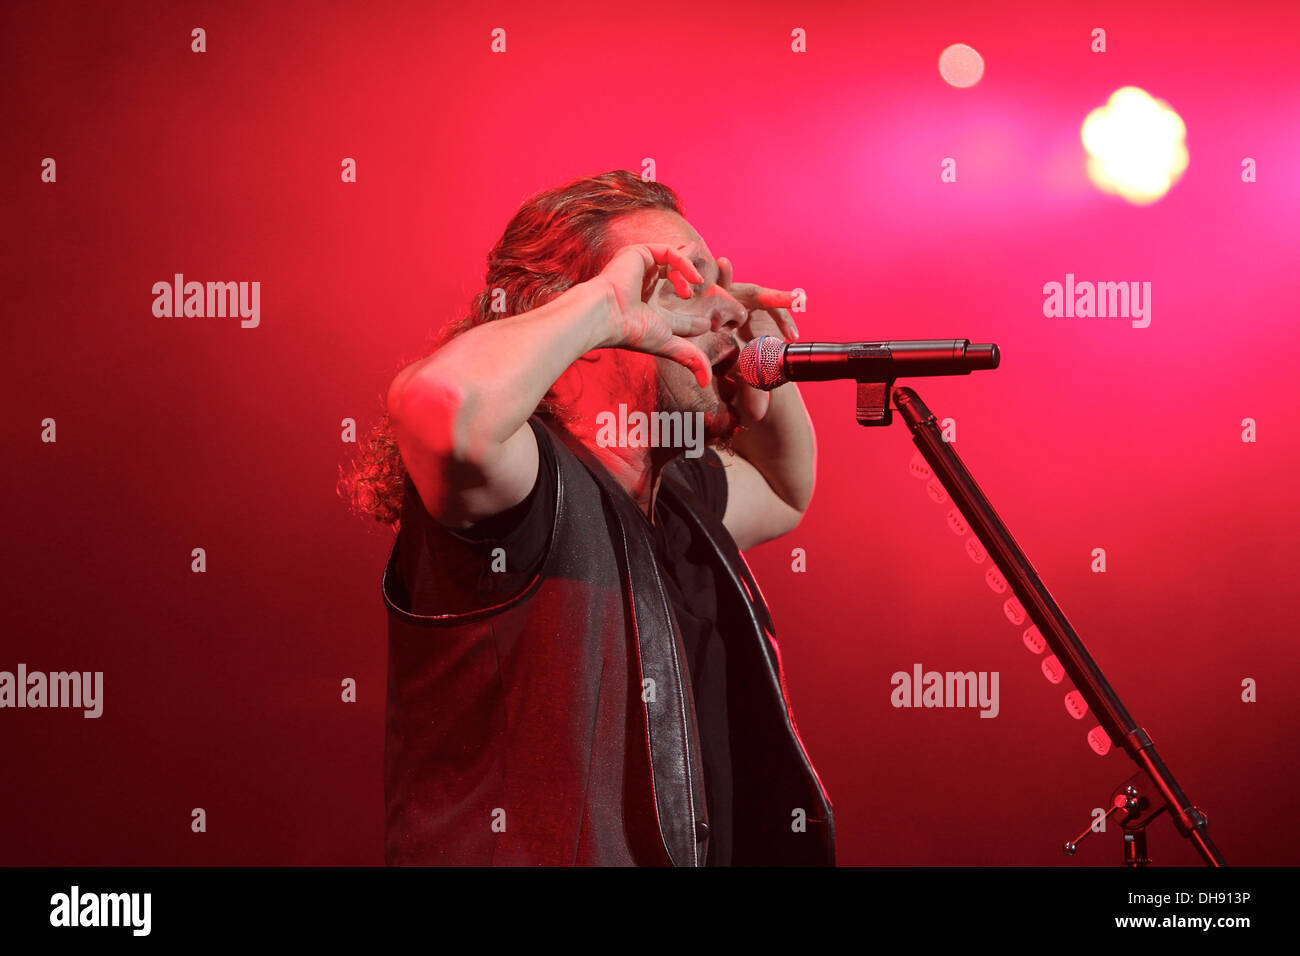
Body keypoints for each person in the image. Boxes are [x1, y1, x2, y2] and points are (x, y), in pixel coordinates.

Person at [348, 169, 834, 866]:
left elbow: (785, 487)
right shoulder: (527, 484)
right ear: (581, 323)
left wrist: (745, 334)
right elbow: (444, 408)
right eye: (678, 279)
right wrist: (605, 300)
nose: (721, 304)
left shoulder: (679, 505)